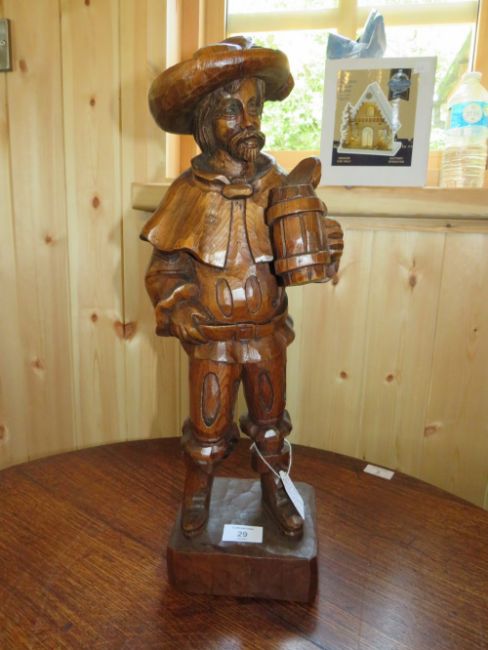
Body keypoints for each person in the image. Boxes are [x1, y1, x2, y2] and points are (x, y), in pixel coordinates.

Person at [141, 36, 342, 539]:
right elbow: (165, 269)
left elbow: (303, 253)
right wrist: (178, 307)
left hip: (267, 336)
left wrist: (327, 245)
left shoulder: (279, 186)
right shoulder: (187, 193)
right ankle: (198, 489)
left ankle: (275, 486)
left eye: (254, 107)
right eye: (233, 110)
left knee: (271, 423)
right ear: (206, 122)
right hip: (211, 341)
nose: (248, 120)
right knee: (207, 426)